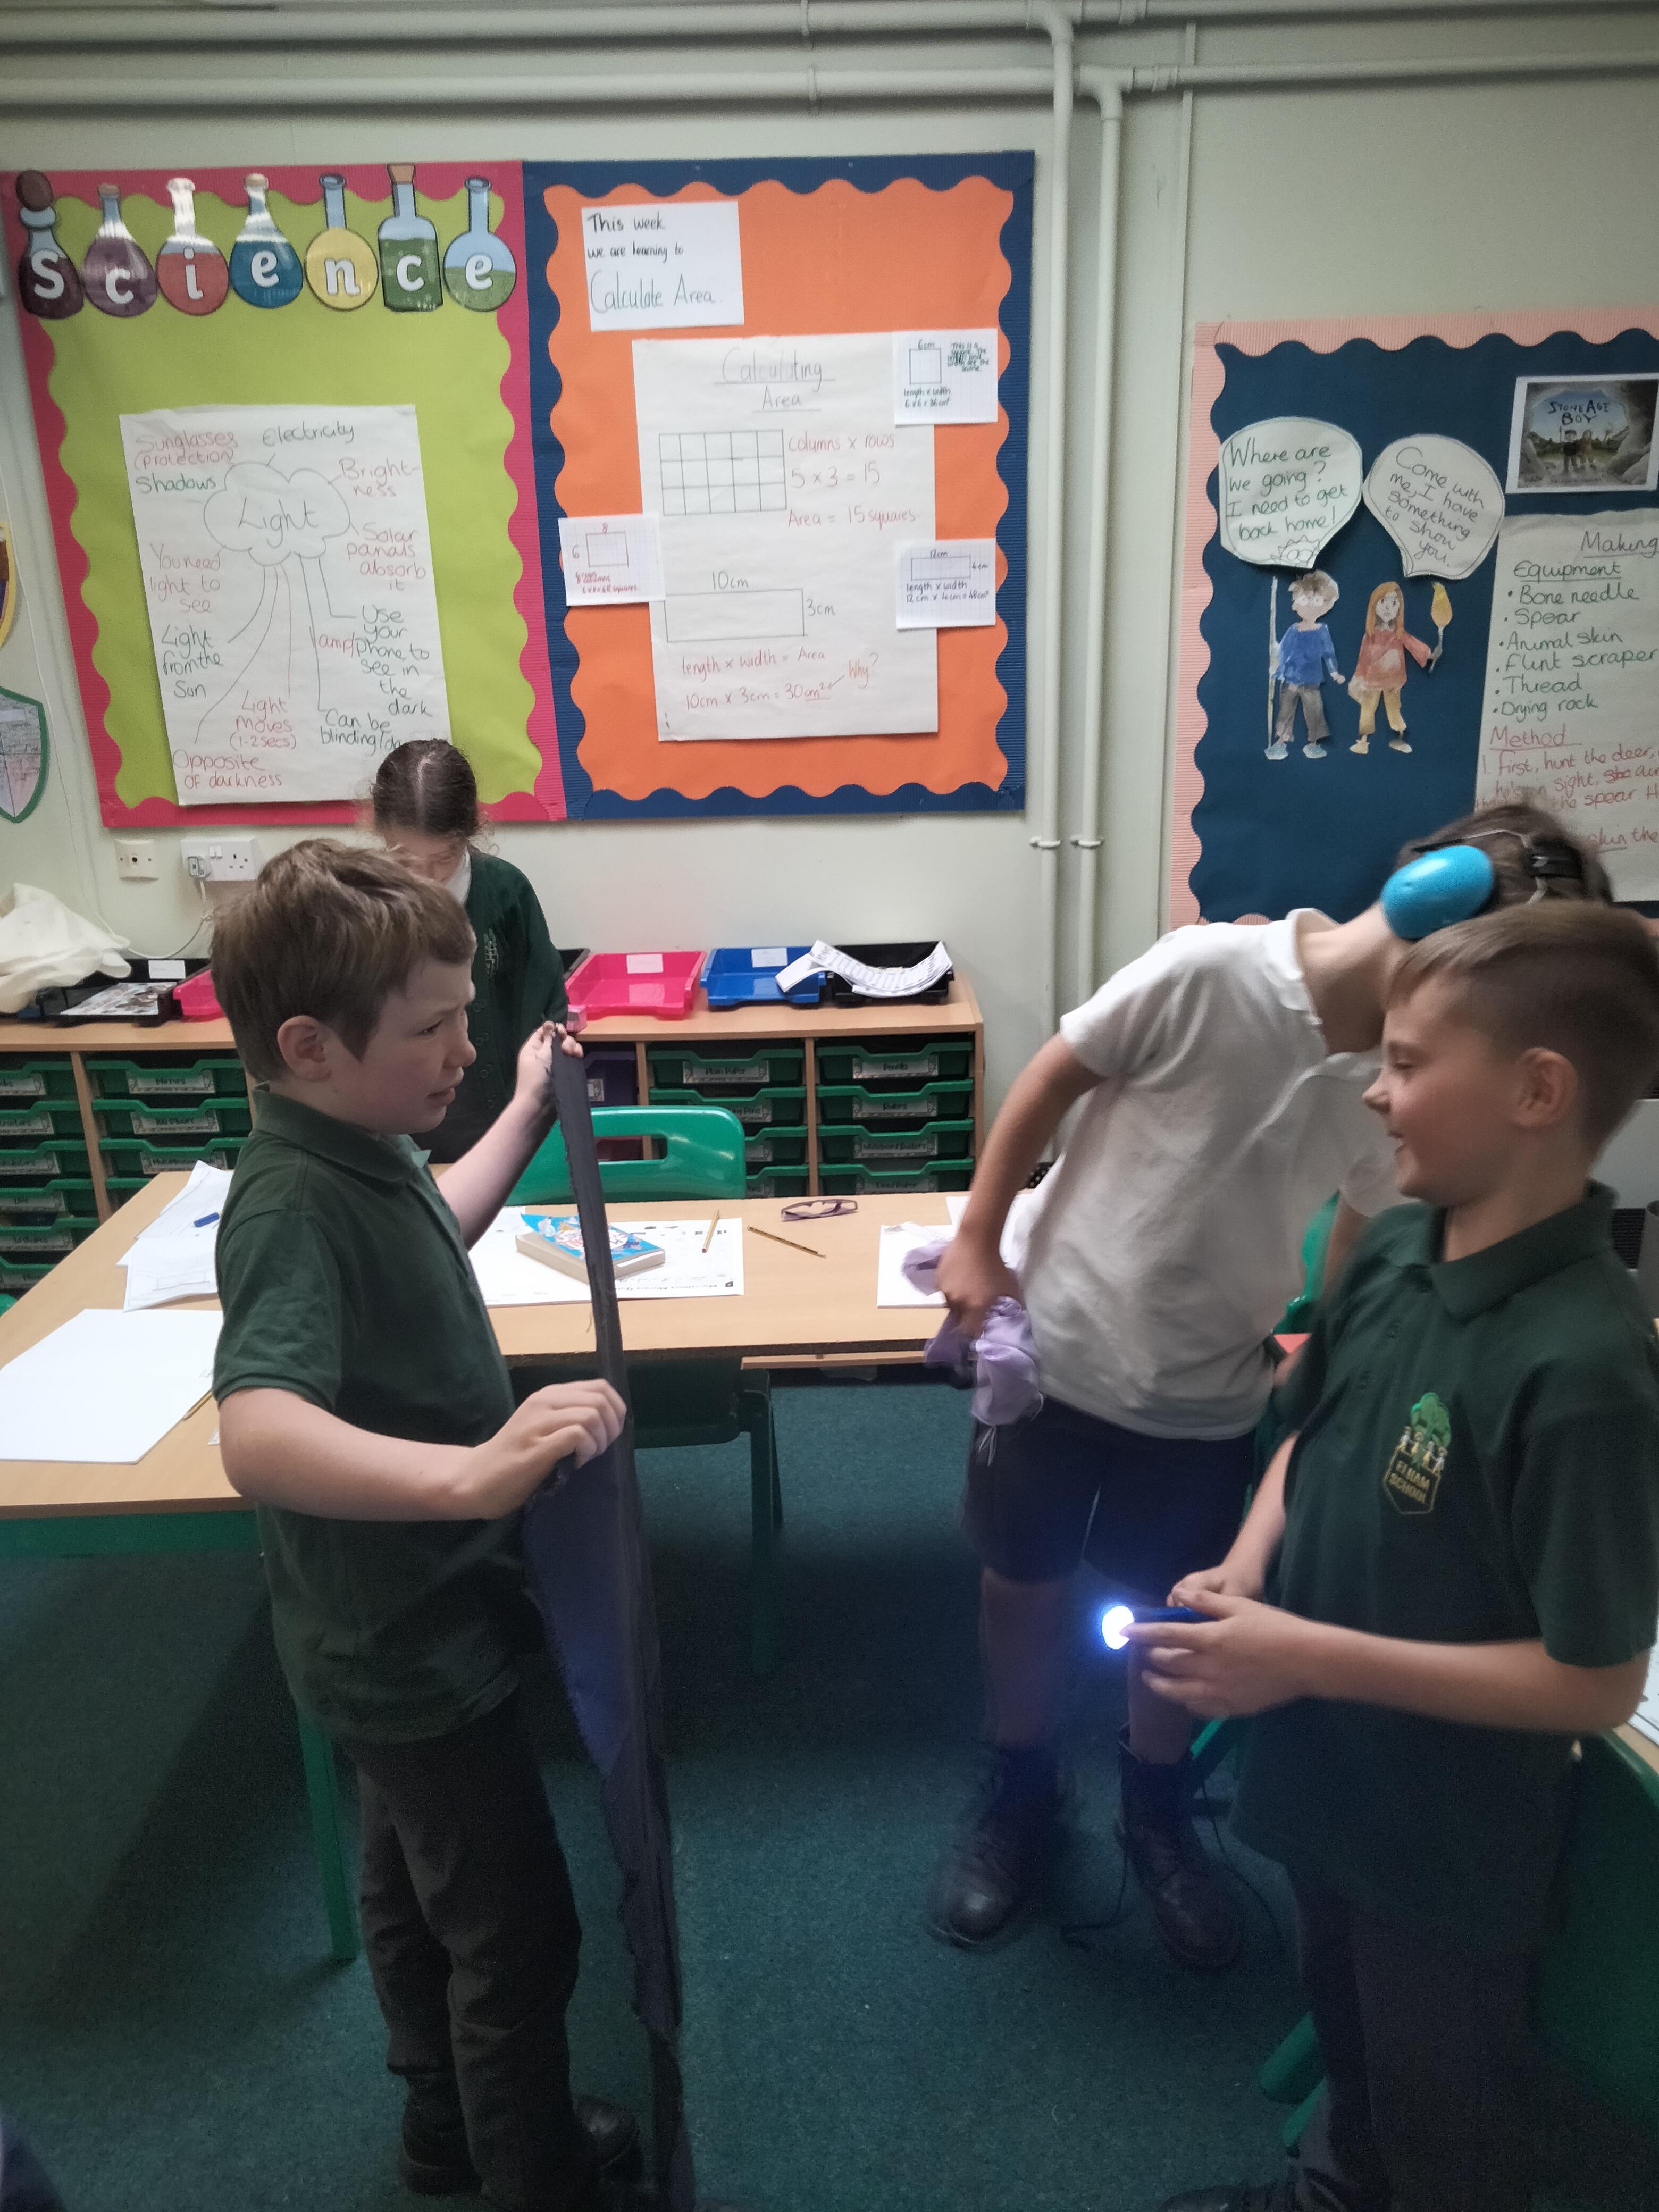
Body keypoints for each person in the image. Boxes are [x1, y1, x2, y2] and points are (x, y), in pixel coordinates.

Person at [928, 802, 1613, 1968]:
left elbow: (1364, 1225)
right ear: (1435, 915)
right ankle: (1021, 1789)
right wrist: (979, 1239)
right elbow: (1050, 1076)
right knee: (1023, 1581)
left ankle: (1154, 1807)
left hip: (1205, 1392)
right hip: (1059, 1353)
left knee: (1172, 1610)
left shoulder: (1410, 1075)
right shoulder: (1208, 971)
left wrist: (1334, 1350)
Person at [1141, 899, 1659, 2212]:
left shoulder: (1585, 1369)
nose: (1374, 1092)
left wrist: (1302, 1655)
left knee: (1443, 2118)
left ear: (1536, 1092)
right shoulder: (1395, 1249)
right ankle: (1337, 2182)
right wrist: (1247, 1565)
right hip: (1325, 1776)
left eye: (1411, 1064)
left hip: (1441, 1845)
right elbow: (1308, 1437)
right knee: (1346, 2040)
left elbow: (1594, 1680)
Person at [210, 841, 635, 2212]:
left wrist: (523, 1106)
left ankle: (444, 2133)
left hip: (390, 1632)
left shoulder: (354, 1148)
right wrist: (471, 1478)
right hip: (409, 1644)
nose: (467, 1046)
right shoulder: (289, 1202)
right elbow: (256, 1429)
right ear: (310, 1046)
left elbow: (433, 1225)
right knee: (517, 1936)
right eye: (435, 1029)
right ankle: (536, 2175)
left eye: (468, 1017)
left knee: (409, 1887)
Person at [371, 739, 569, 1163]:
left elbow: (543, 1002)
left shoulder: (504, 891)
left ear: (468, 834)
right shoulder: (365, 904)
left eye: (443, 858)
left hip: (501, 1117)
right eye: (405, 859)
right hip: (400, 1126)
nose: (426, 877)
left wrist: (530, 1099)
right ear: (380, 833)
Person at [1347, 583, 1436, 757]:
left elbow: (1414, 645)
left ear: (1400, 609)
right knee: (1367, 710)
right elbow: (1363, 659)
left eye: (1394, 603)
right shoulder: (1370, 635)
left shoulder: (1399, 634)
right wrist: (1359, 677)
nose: (1388, 608)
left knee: (1394, 709)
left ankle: (1400, 737)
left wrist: (1429, 655)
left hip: (1393, 681)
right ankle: (1363, 741)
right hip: (1372, 680)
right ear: (1374, 606)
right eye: (1383, 602)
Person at [1268, 571, 1344, 762]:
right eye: (1305, 599)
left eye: (1316, 601)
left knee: (1315, 712)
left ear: (1326, 605)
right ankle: (1280, 743)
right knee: (1286, 712)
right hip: (1290, 678)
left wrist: (1334, 672)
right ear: (1296, 603)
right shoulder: (1293, 630)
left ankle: (1313, 744)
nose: (1310, 605)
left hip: (1311, 680)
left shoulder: (1322, 631)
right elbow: (1283, 651)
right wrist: (1277, 666)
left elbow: (1328, 653)